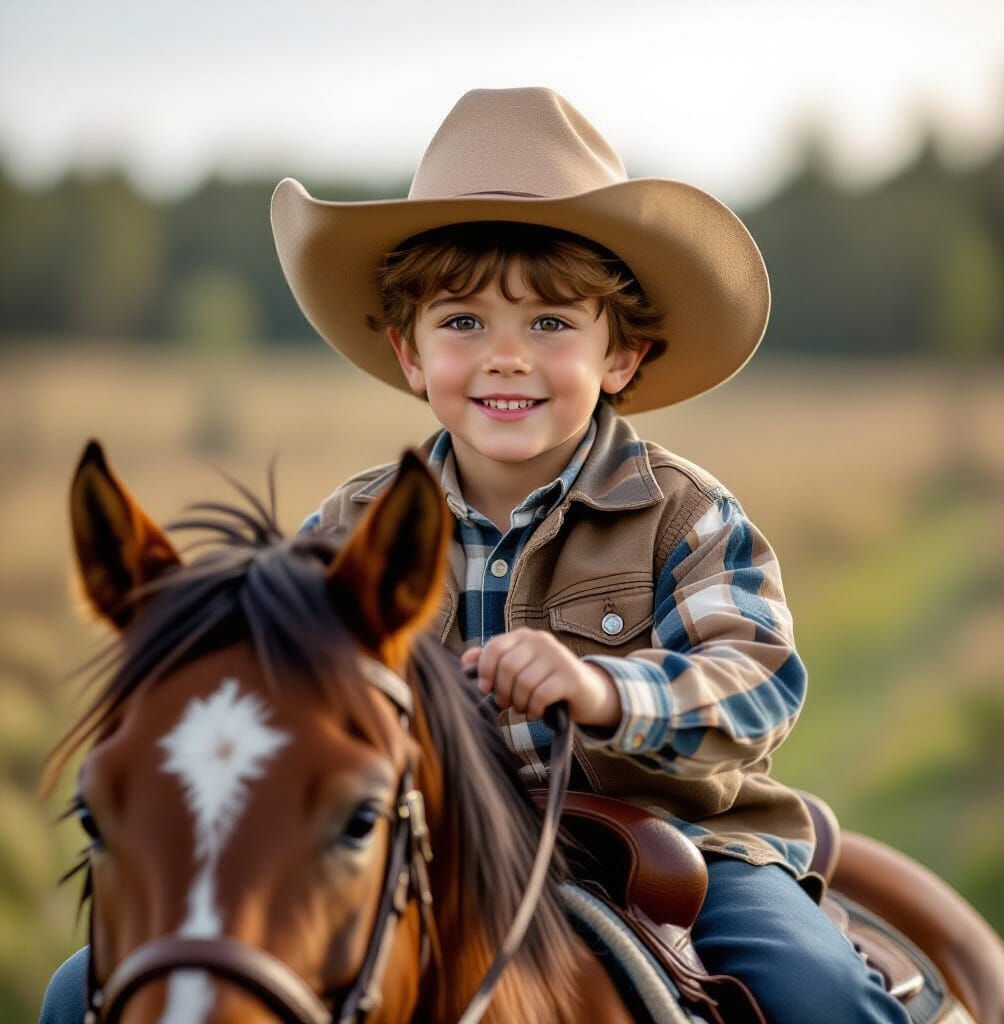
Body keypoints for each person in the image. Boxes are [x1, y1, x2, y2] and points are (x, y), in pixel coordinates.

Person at [40, 87, 909, 1023]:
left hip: (684, 852)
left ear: (621, 355)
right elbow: (275, 702)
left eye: (550, 324)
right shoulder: (350, 530)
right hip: (429, 853)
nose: (505, 357)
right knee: (78, 993)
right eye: (461, 323)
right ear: (410, 354)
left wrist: (608, 692)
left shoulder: (682, 513)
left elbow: (759, 681)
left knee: (821, 997)